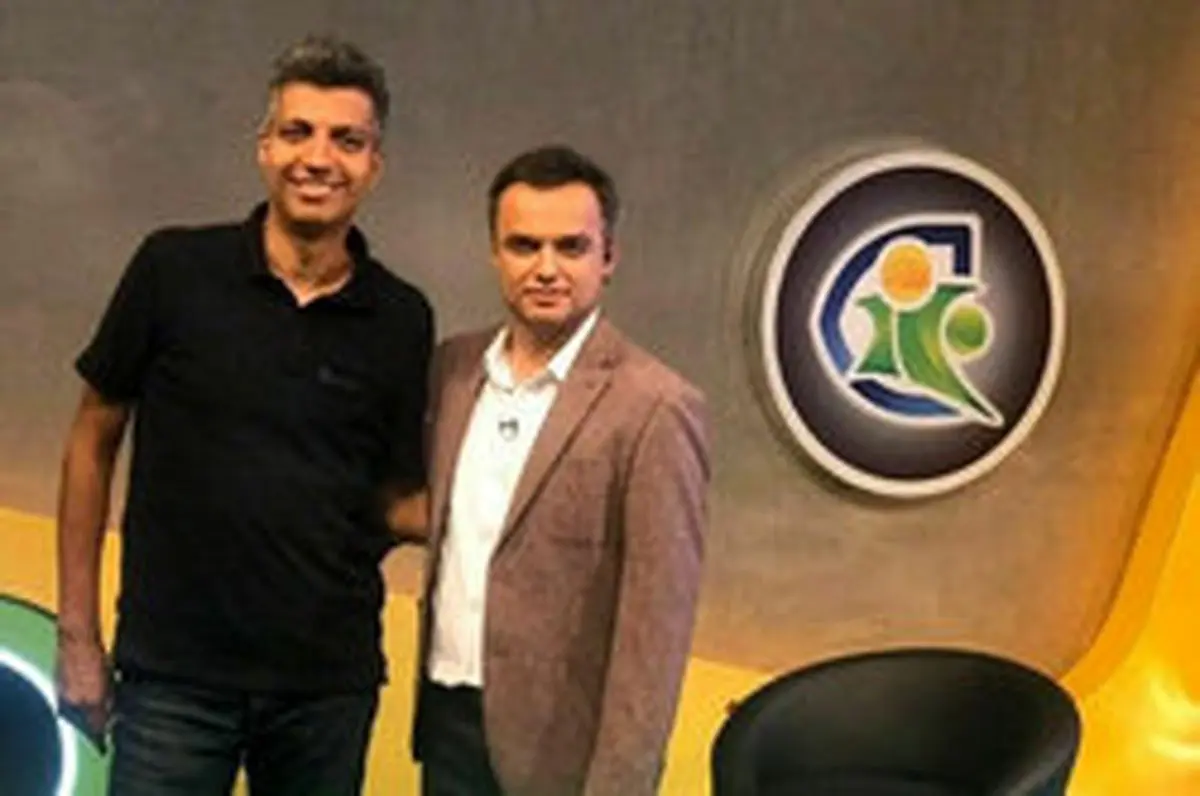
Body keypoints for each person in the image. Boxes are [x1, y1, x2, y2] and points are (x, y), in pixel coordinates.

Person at [54, 35, 433, 795]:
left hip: (325, 693)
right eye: (297, 132)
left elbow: (393, 499)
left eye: (346, 140)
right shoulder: (172, 270)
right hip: (173, 681)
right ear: (264, 148)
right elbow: (92, 439)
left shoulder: (402, 318)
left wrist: (515, 522)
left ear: (374, 166)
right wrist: (78, 636)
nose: (318, 158)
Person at [414, 144, 710, 795]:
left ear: (609, 257)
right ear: (495, 254)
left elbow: (656, 630)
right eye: (524, 246)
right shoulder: (452, 370)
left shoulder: (657, 407)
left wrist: (621, 782)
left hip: (562, 756)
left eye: (571, 247)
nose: (546, 268)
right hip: (447, 726)